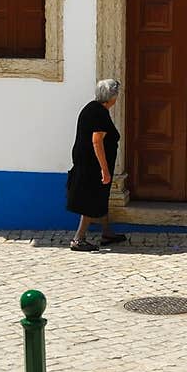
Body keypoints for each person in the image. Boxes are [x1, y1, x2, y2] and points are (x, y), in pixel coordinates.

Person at [66, 78, 128, 252]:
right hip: (92, 165)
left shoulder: (94, 108)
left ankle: (107, 232)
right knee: (91, 199)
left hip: (89, 162)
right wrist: (104, 169)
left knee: (101, 196)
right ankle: (78, 239)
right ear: (112, 97)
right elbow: (97, 141)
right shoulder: (98, 113)